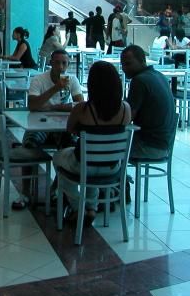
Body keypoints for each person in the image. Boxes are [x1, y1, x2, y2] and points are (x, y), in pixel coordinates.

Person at [52, 61, 132, 226]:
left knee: (58, 158)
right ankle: (91, 207)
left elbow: (70, 129)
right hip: (112, 167)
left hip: (83, 165)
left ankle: (77, 207)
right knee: (94, 162)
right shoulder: (126, 109)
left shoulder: (82, 109)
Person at [13, 49, 84, 211]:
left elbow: (80, 105)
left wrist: (54, 107)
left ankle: (57, 188)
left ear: (68, 64)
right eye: (57, 63)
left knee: (70, 147)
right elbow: (33, 106)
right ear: (51, 63)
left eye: (64, 63)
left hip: (62, 126)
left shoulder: (72, 80)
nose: (61, 67)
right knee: (29, 145)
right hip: (40, 125)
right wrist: (55, 89)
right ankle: (25, 192)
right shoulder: (39, 80)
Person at [120, 45, 176, 161]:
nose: (124, 68)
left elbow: (127, 117)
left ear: (142, 61)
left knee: (104, 147)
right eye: (123, 65)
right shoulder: (159, 76)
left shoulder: (139, 81)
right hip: (165, 144)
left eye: (128, 64)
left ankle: (115, 174)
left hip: (149, 146)